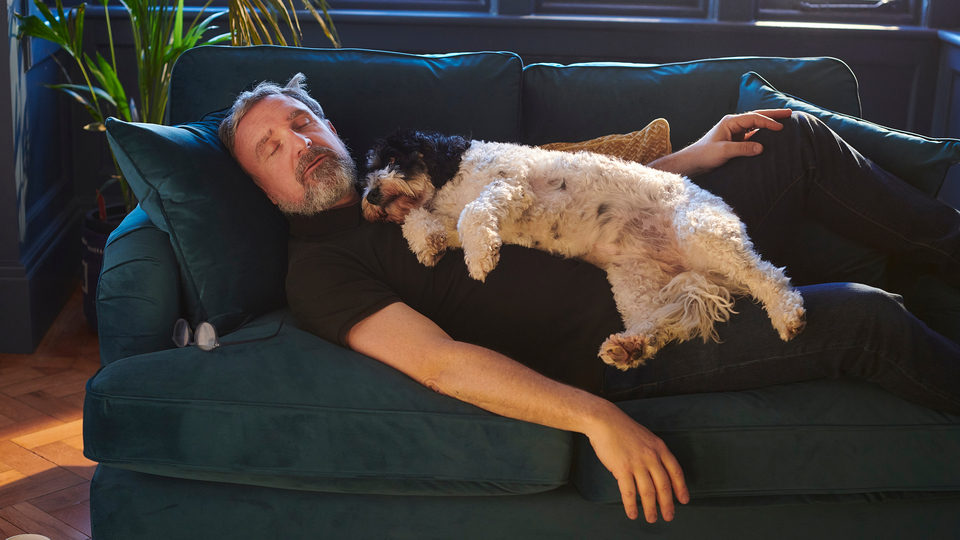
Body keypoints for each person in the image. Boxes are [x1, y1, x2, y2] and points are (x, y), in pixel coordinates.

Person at [218, 73, 960, 525]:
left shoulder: (406, 160)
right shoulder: (319, 267)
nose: (300, 144)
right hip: (631, 332)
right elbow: (439, 364)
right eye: (271, 149)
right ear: (261, 187)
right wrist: (595, 415)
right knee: (867, 317)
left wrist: (692, 158)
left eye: (300, 122)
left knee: (785, 138)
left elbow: (553, 190)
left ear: (330, 125)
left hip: (637, 225)